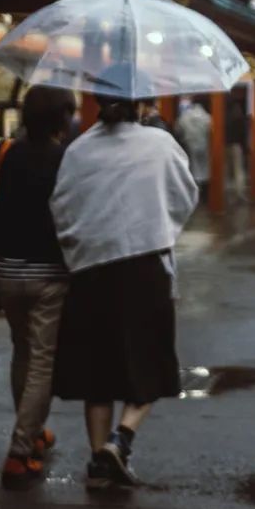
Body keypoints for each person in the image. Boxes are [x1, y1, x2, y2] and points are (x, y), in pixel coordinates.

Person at [50, 80, 198, 488]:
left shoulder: (79, 149)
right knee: (149, 359)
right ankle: (122, 439)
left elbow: (61, 204)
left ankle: (99, 457)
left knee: (97, 371)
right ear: (140, 104)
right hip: (144, 264)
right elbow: (184, 196)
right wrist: (156, 223)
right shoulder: (160, 145)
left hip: (91, 269)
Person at [0, 87, 76, 490]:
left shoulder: (6, 152)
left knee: (22, 351)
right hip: (50, 273)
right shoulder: (67, 160)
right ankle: (20, 450)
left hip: (6, 271)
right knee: (42, 358)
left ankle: (33, 430)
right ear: (62, 119)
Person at [175, 98, 212, 204]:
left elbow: (178, 129)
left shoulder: (184, 116)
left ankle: (194, 193)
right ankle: (204, 195)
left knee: (192, 169)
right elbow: (212, 131)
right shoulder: (207, 117)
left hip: (190, 146)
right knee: (205, 169)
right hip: (204, 146)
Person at [226, 94, 249, 207]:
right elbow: (243, 134)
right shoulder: (239, 117)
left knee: (226, 171)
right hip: (236, 146)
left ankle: (226, 194)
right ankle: (239, 194)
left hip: (224, 145)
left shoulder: (224, 115)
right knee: (238, 171)